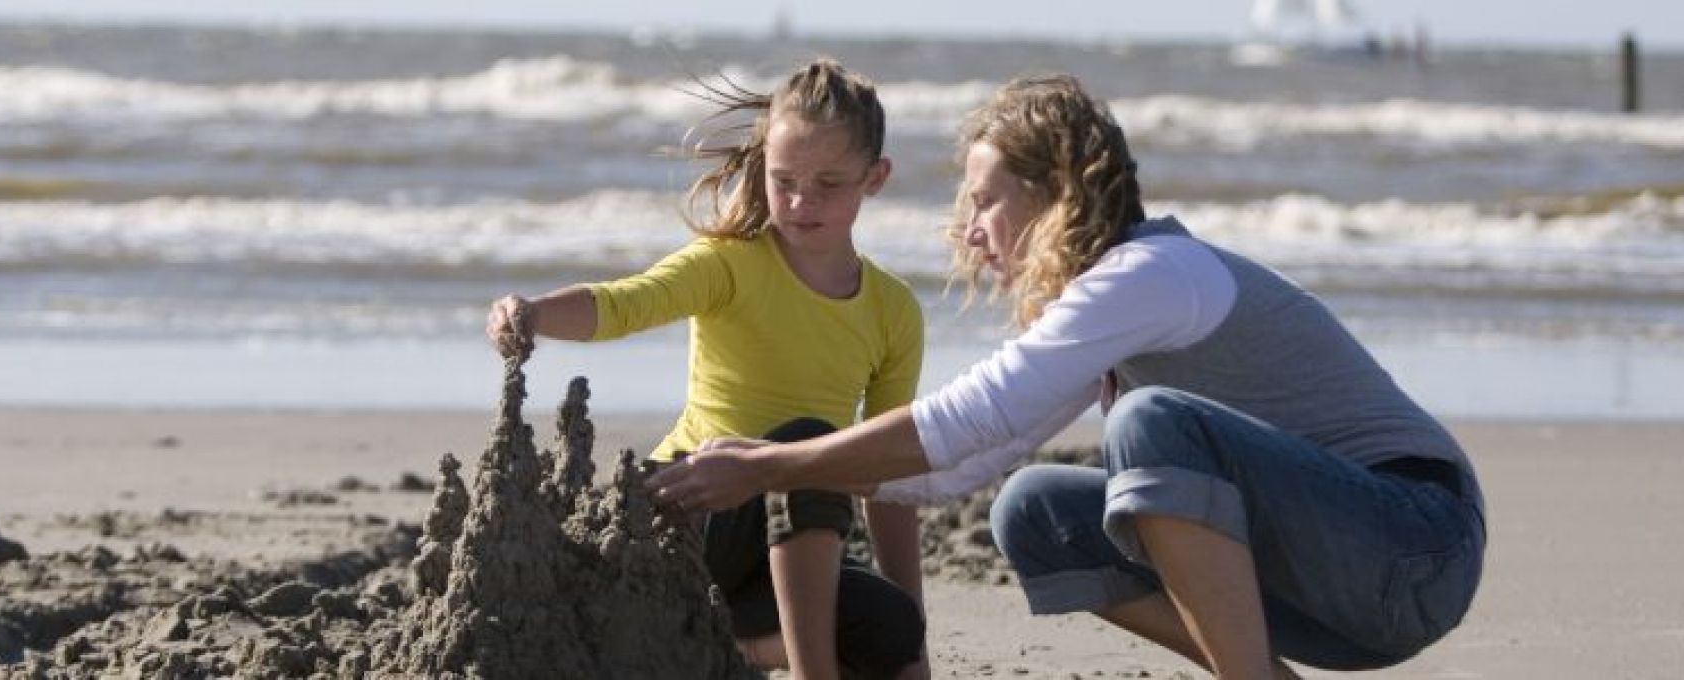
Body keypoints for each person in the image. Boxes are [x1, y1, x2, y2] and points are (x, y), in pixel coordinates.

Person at [647, 74, 1486, 680]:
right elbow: (961, 466)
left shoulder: (1152, 273)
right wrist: (797, 482)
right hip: (1327, 585)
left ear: (1058, 194)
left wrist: (768, 465)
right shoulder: (1116, 307)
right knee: (1033, 508)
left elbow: (972, 416)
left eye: (984, 201)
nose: (967, 230)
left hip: (1411, 548)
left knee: (1151, 425)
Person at [485, 58, 928, 680]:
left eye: (829, 183)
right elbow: (620, 304)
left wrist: (918, 645)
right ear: (762, 167)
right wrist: (532, 313)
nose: (802, 201)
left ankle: (723, 651)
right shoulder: (729, 263)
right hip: (687, 515)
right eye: (784, 180)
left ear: (874, 177)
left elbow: (888, 468)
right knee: (809, 446)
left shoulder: (894, 309)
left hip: (776, 546)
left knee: (890, 624)